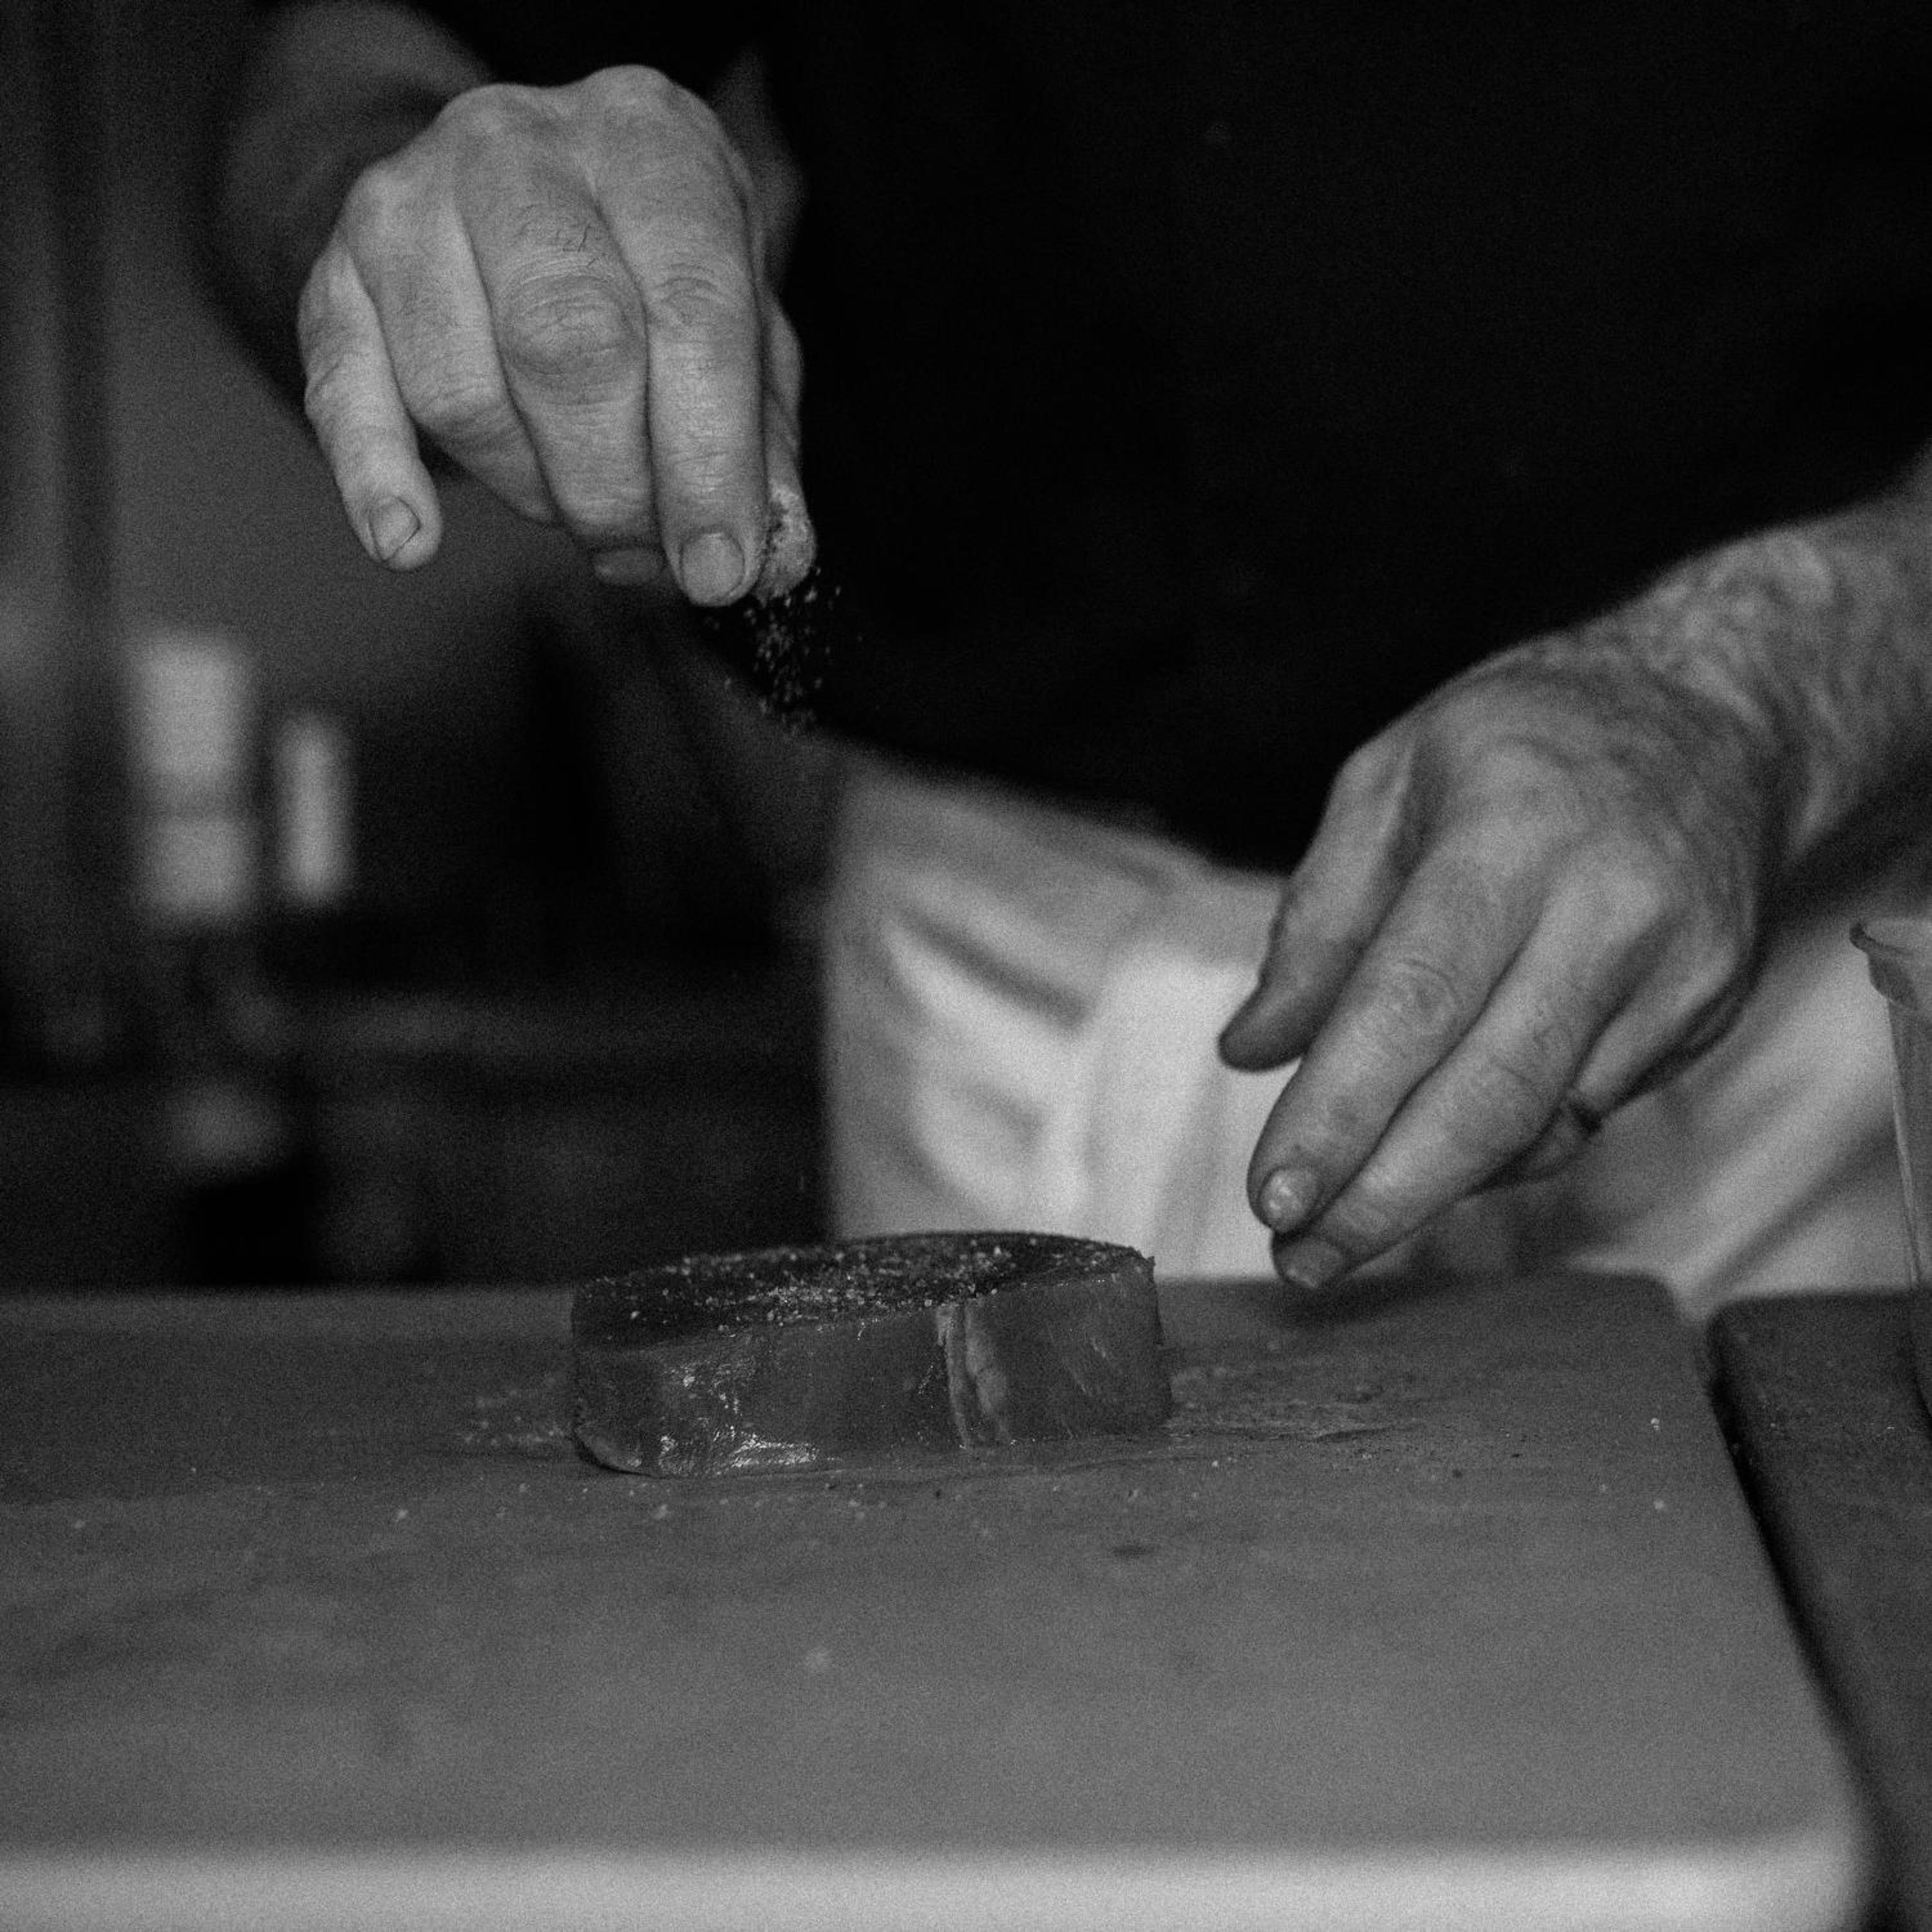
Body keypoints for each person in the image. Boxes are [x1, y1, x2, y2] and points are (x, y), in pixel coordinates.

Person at [207, 2, 1932, 1317]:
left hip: (1806, 997)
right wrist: (412, 203)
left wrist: (1783, 674)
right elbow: (340, 66)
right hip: (1009, 992)